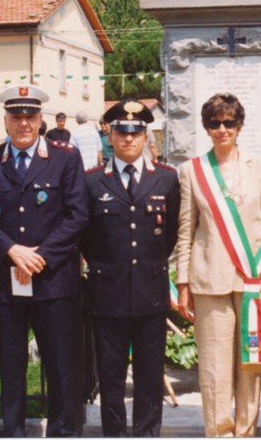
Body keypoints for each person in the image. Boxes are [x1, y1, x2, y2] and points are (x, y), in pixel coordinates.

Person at [0, 84, 89, 437]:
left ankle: (63, 432)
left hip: (53, 281)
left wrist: (41, 256)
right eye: (16, 117)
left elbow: (77, 215)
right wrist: (11, 250)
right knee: (12, 366)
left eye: (30, 117)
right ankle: (14, 432)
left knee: (61, 366)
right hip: (7, 282)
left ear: (41, 121)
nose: (24, 124)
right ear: (5, 121)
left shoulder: (65, 158)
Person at [175, 93, 261, 437]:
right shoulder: (192, 171)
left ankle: (246, 431)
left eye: (228, 122)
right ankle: (218, 433)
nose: (222, 129)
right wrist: (183, 283)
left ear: (239, 125)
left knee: (251, 365)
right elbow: (186, 230)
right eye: (214, 123)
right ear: (206, 127)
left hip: (253, 280)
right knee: (215, 369)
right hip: (209, 280)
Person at [80, 97, 180, 437]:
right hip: (107, 293)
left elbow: (170, 235)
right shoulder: (92, 181)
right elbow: (85, 237)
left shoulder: (166, 179)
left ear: (145, 135)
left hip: (150, 292)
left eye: (136, 132)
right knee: (110, 377)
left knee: (150, 376)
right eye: (121, 131)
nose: (128, 139)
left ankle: (148, 434)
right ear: (110, 135)